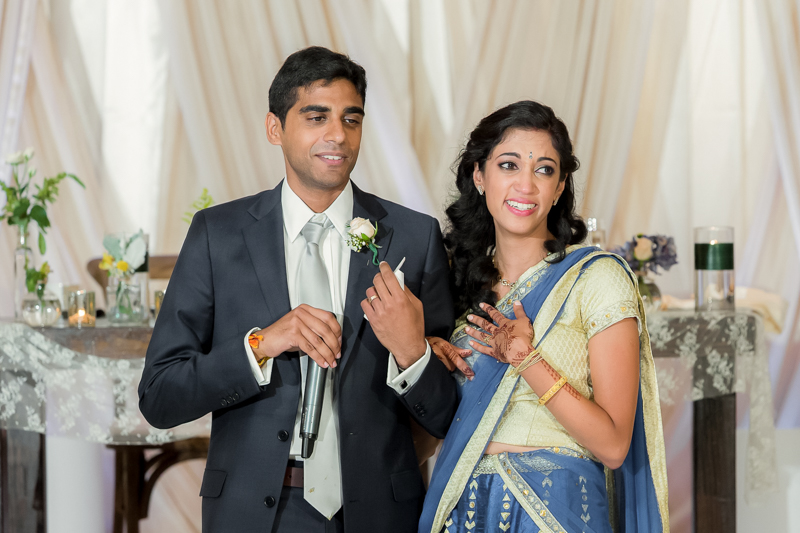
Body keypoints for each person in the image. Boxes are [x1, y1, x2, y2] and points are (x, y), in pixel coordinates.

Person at [138, 46, 458, 533]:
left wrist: (413, 352)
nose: (337, 135)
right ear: (275, 128)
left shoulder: (414, 237)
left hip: (378, 513)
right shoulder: (217, 235)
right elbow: (160, 397)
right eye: (316, 117)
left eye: (352, 119)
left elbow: (446, 413)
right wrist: (261, 346)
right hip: (252, 511)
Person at [420, 101, 669, 533]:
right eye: (509, 165)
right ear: (479, 175)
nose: (526, 186)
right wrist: (423, 364)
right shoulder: (457, 288)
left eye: (544, 170)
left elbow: (613, 446)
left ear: (560, 186)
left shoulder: (595, 278)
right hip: (463, 511)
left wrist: (526, 359)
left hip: (558, 514)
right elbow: (426, 440)